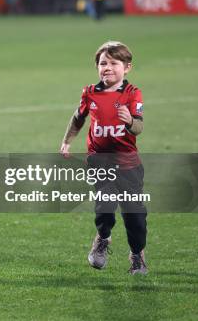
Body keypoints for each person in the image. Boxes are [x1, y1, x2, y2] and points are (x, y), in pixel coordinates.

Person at [59, 41, 148, 275]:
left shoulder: (132, 94)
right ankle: (103, 239)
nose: (107, 67)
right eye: (102, 63)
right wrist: (67, 141)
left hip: (128, 165)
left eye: (113, 63)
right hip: (100, 162)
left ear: (127, 67)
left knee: (135, 216)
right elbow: (78, 119)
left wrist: (129, 120)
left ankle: (137, 255)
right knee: (104, 207)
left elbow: (138, 127)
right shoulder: (90, 93)